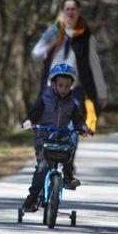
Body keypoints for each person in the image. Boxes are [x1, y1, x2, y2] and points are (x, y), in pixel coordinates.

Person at [31, 0, 108, 182]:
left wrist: (101, 92)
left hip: (75, 90)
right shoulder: (53, 32)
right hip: (50, 89)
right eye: (67, 9)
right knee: (45, 126)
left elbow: (94, 65)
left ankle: (67, 165)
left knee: (73, 127)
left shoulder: (86, 37)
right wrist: (48, 48)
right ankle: (42, 161)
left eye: (74, 9)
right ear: (63, 12)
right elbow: (35, 54)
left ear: (79, 11)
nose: (70, 12)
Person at [21, 64, 92, 212]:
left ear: (71, 86)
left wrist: (83, 128)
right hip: (43, 137)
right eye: (60, 85)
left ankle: (67, 176)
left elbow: (77, 119)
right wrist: (29, 121)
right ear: (53, 84)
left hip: (61, 135)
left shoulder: (72, 103)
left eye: (67, 86)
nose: (64, 89)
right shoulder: (44, 99)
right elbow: (35, 112)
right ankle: (32, 198)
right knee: (42, 168)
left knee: (69, 148)